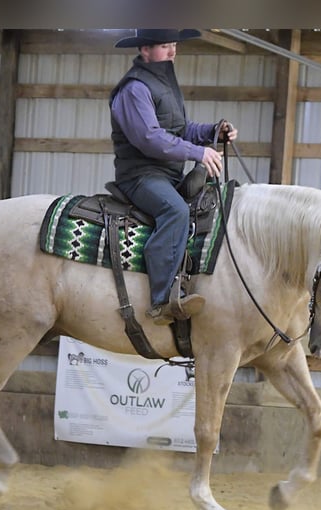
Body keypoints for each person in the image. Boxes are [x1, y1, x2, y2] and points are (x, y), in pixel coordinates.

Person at [110, 29, 238, 326]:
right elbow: (149, 138)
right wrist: (198, 153)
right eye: (165, 46)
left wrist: (212, 132)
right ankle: (162, 299)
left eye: (174, 45)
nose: (172, 52)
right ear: (145, 49)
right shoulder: (134, 88)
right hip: (140, 175)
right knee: (175, 210)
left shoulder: (163, 82)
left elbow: (179, 128)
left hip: (166, 174)